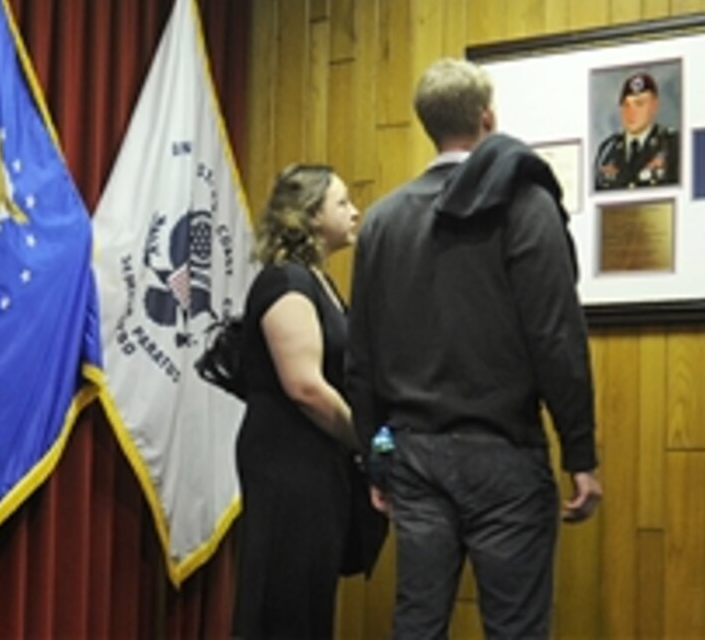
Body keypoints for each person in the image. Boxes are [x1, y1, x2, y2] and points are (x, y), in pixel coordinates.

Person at [346, 58, 602, 640]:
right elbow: (556, 337)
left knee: (418, 626)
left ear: (429, 126)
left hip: (412, 455)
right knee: (514, 629)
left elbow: (361, 357)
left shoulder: (382, 221)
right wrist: (580, 453)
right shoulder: (525, 205)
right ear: (487, 117)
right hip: (504, 453)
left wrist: (375, 458)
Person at [234, 163, 383, 639]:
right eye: (342, 203)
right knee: (287, 598)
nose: (355, 212)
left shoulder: (317, 281)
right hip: (288, 463)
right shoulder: (285, 282)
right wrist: (365, 440)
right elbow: (305, 386)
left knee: (309, 597)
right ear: (310, 216)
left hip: (315, 462)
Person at [594, 71, 680, 190]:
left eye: (639, 104)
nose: (631, 112)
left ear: (654, 105)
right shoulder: (607, 150)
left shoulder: (672, 144)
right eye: (626, 105)